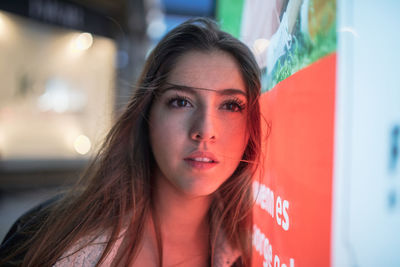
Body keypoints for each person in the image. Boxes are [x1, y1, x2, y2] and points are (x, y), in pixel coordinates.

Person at [0, 17, 261, 267]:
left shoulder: (256, 252)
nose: (205, 130)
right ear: (146, 115)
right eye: (181, 102)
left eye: (230, 105)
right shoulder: (45, 235)